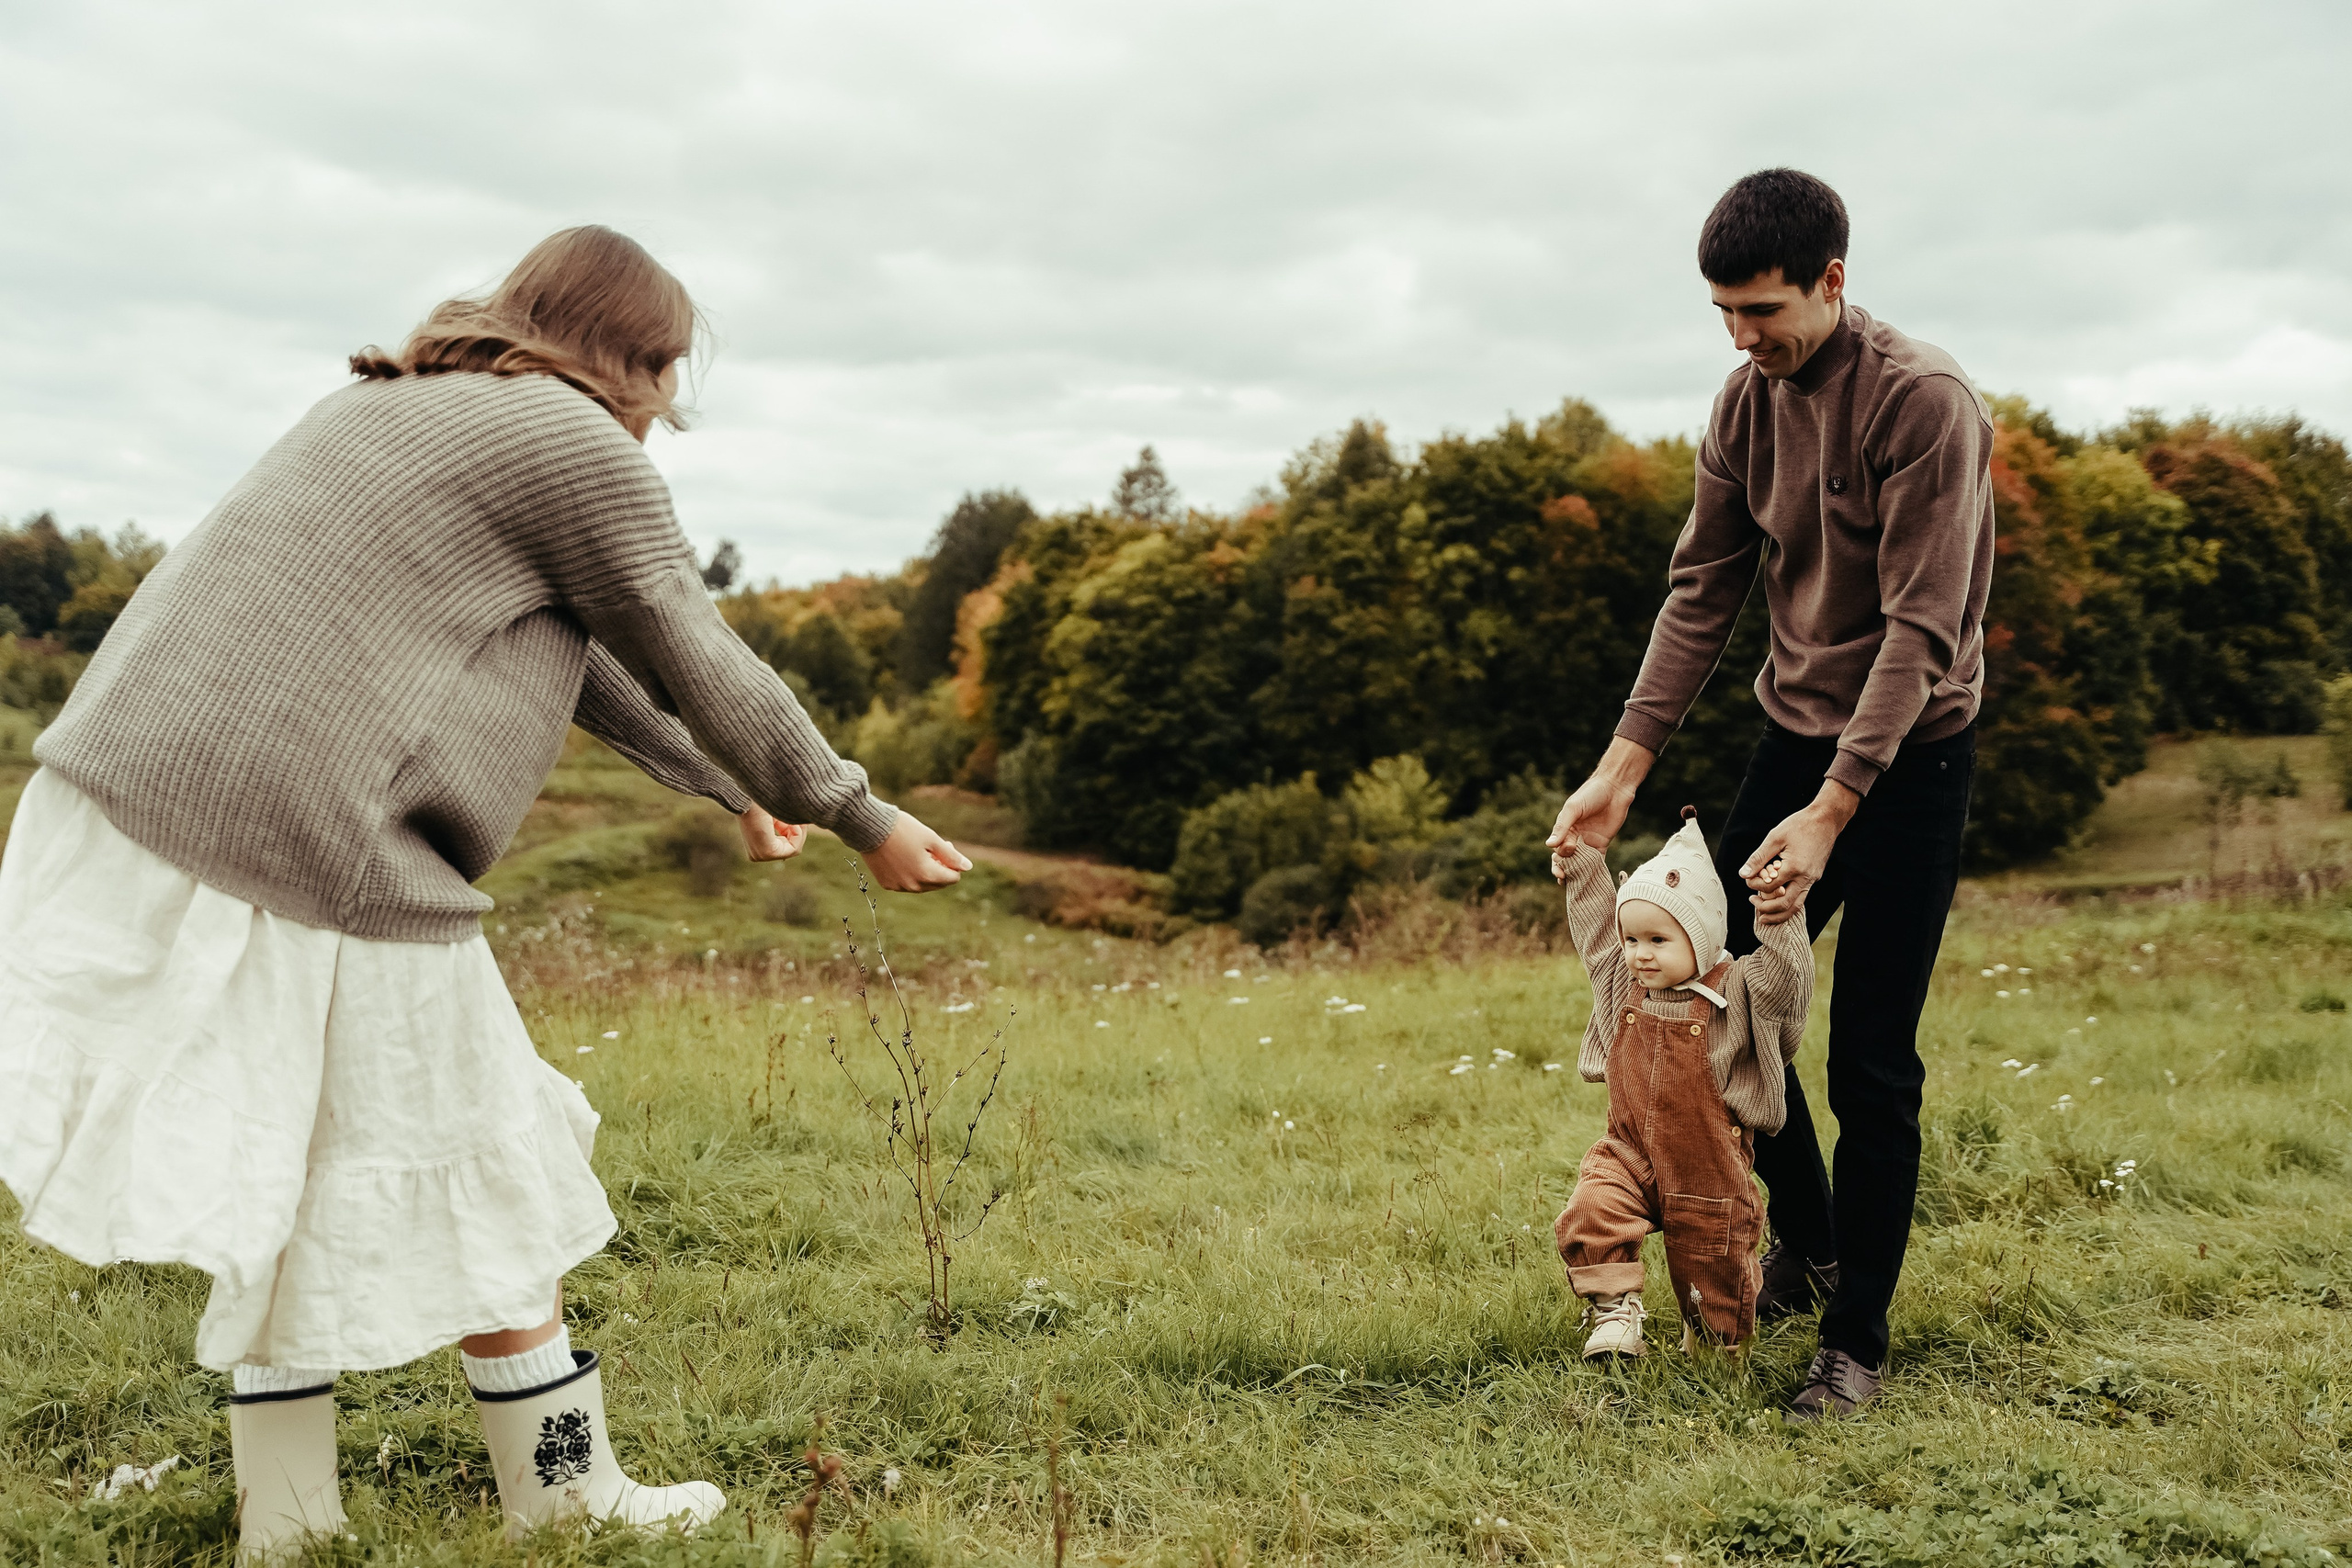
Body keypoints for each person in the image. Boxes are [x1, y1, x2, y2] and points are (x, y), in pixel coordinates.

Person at [0, 226, 973, 1559]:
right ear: (636, 356)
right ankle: (561, 1491)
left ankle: (287, 1513)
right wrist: (858, 810)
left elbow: (579, 648)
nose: (660, 408)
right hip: (312, 836)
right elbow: (690, 642)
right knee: (488, 1151)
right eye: (664, 376)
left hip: (130, 797)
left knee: (296, 1157)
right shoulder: (568, 440)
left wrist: (727, 782)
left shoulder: (397, 404)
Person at [1547, 169, 1991, 1417]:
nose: (1742, 339)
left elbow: (1920, 630)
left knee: (1870, 1063)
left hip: (1911, 759)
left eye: (1762, 311)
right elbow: (1702, 589)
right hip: (1791, 741)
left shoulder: (1924, 402)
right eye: (1724, 314)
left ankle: (1856, 1342)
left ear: (1832, 280)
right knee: (1713, 1016)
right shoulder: (1745, 404)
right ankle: (1816, 1243)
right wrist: (1621, 766)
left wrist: (1836, 806)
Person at [1550, 808, 1812, 1362]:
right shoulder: (1623, 980)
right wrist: (1583, 863)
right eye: (1632, 938)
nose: (1640, 953)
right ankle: (1615, 1314)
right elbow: (1596, 932)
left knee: (1713, 1271)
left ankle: (1716, 1356)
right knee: (1592, 1210)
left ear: (1701, 935)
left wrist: (1779, 913)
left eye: (1658, 939)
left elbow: (1786, 983)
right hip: (1630, 1152)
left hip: (1707, 1165)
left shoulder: (1738, 990)